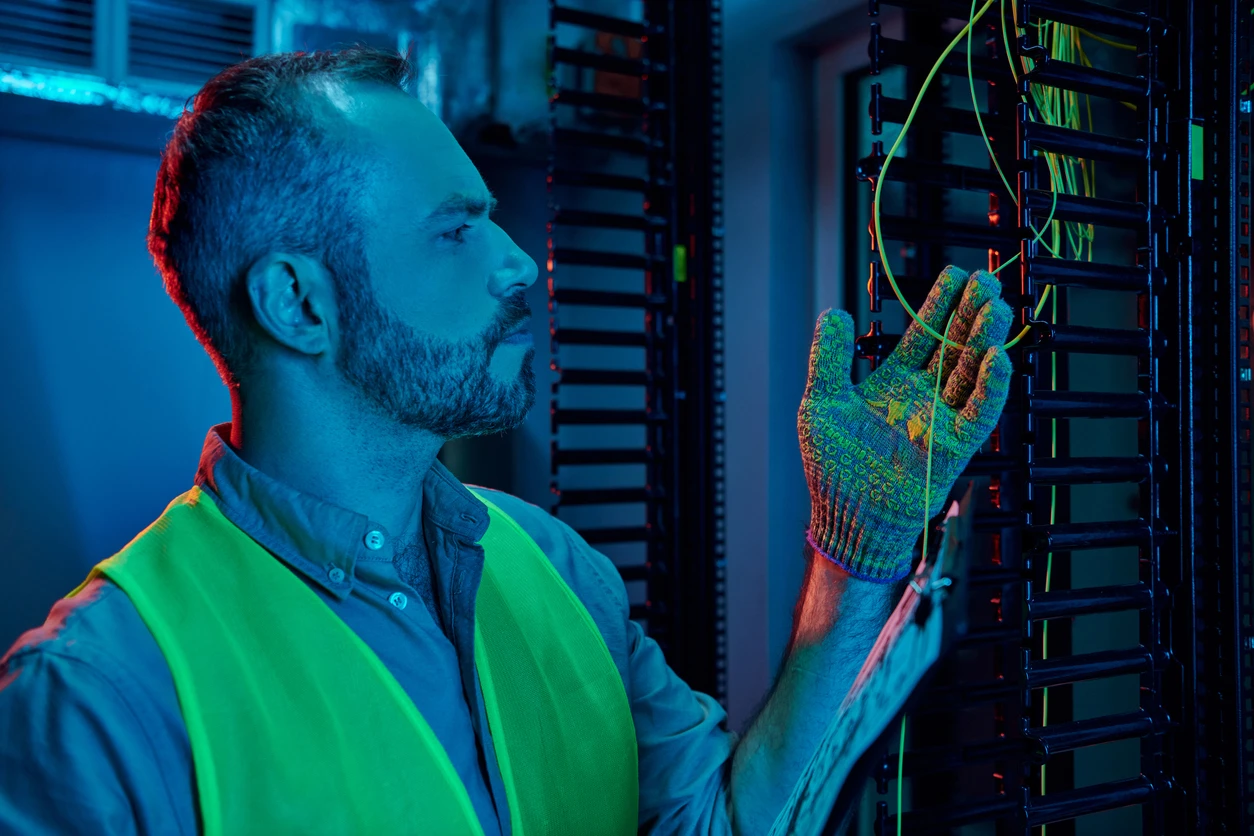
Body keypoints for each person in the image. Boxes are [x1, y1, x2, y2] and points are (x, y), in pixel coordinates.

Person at [0, 47, 1013, 835]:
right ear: (299, 301)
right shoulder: (101, 695)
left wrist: (855, 545)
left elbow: (731, 821)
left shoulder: (555, 567)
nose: (521, 261)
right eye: (455, 231)